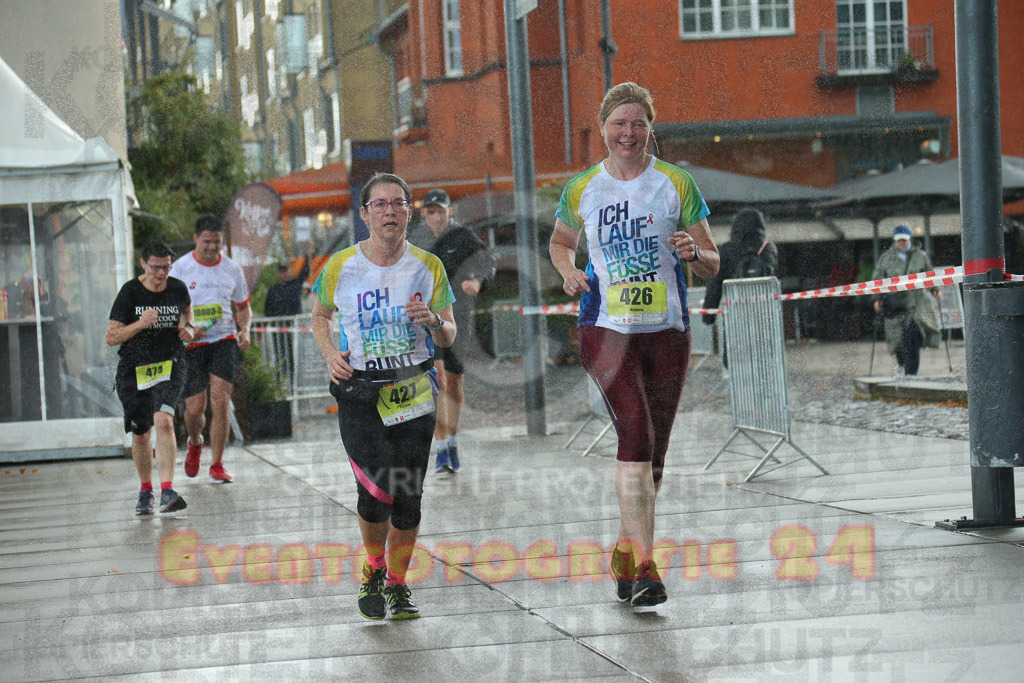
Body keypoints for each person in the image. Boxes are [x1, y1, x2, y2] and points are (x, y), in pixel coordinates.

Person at [548, 82, 719, 607]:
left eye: (638, 124)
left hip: (667, 331)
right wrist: (568, 271)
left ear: (650, 129)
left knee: (655, 456)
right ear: (603, 128)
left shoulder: (676, 183)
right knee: (636, 436)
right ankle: (646, 567)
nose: (629, 132)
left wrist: (694, 252)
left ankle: (626, 553)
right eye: (620, 123)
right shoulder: (582, 188)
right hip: (606, 330)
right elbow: (560, 242)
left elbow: (713, 261)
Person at [311, 172, 456, 620]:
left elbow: (449, 333)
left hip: (413, 388)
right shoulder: (341, 265)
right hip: (360, 391)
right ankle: (374, 568)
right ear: (365, 213)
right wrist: (330, 354)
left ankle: (396, 584)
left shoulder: (428, 266)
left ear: (410, 212)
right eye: (380, 204)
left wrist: (433, 320)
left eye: (398, 203)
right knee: (376, 492)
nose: (389, 211)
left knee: (408, 495)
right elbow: (319, 315)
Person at [106, 240, 196, 515]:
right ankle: (146, 491)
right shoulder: (130, 292)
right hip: (134, 369)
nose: (161, 274)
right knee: (142, 433)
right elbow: (112, 337)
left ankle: (167, 490)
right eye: (155, 268)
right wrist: (140, 323)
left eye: (166, 267)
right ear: (143, 263)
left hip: (170, 363)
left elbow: (187, 314)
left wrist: (189, 329)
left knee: (164, 420)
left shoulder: (177, 288)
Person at [170, 214, 252, 483]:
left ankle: (217, 464)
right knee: (195, 409)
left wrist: (244, 330)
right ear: (196, 239)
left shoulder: (231, 269)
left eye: (217, 242)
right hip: (192, 344)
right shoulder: (181, 268)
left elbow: (243, 307)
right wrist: (187, 327)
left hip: (223, 341)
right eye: (207, 241)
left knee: (220, 400)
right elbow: (170, 309)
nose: (212, 247)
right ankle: (195, 441)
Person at [420, 188, 496, 473]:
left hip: (459, 318)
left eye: (440, 211)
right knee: (437, 379)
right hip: (427, 318)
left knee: (453, 381)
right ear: (424, 214)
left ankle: (451, 442)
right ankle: (441, 448)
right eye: (431, 211)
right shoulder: (418, 242)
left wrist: (477, 281)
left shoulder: (463, 237)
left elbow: (488, 261)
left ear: (449, 212)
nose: (436, 216)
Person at [872, 225, 941, 375]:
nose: (901, 243)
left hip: (916, 304)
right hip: (895, 305)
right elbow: (878, 278)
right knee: (896, 338)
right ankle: (902, 365)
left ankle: (911, 372)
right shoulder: (886, 258)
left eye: (904, 240)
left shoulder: (920, 256)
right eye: (899, 240)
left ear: (910, 239)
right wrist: (877, 298)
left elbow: (929, 274)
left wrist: (935, 289)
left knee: (913, 337)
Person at [264, 245, 312, 386]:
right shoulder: (273, 289)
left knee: (294, 355)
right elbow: (267, 309)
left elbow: (306, 270)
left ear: (289, 271)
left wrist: (309, 252)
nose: (283, 273)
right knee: (280, 356)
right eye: (281, 271)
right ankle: (281, 384)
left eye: (285, 270)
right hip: (278, 329)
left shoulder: (295, 284)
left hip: (294, 328)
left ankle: (294, 384)